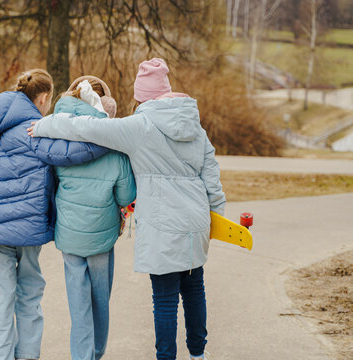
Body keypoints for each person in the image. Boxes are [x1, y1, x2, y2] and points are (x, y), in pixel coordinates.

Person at [28, 58, 226, 360]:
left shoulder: (139, 127)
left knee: (165, 298)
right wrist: (216, 217)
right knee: (194, 287)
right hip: (196, 219)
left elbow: (86, 128)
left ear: (141, 95)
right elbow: (211, 174)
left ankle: (166, 357)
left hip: (163, 224)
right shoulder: (195, 127)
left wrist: (45, 123)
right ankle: (198, 355)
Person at [0, 69, 108, 360]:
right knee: (29, 296)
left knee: (1, 300)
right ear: (44, 98)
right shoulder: (34, 128)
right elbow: (74, 152)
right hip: (26, 230)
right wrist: (107, 133)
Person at [51, 76, 136, 360]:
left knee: (78, 304)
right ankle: (95, 353)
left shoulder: (58, 138)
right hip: (101, 236)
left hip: (69, 235)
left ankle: (81, 355)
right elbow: (126, 196)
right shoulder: (112, 145)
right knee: (100, 301)